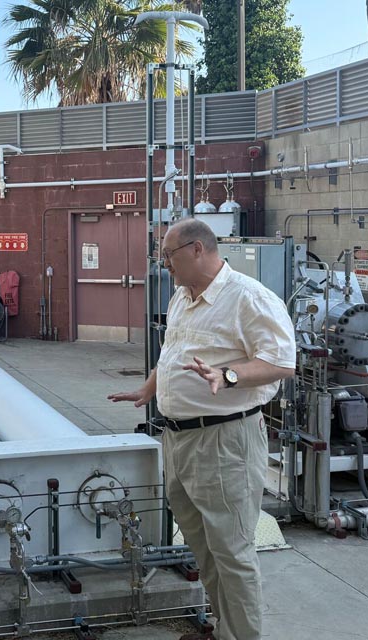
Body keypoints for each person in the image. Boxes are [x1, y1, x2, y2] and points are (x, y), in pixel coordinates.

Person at [108, 219, 295, 640]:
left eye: (168, 255)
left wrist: (227, 376)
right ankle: (222, 628)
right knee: (203, 547)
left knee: (232, 551)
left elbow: (282, 361)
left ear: (196, 249)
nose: (164, 264)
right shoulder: (181, 296)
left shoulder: (248, 298)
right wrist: (150, 388)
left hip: (225, 440)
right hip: (178, 439)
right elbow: (173, 349)